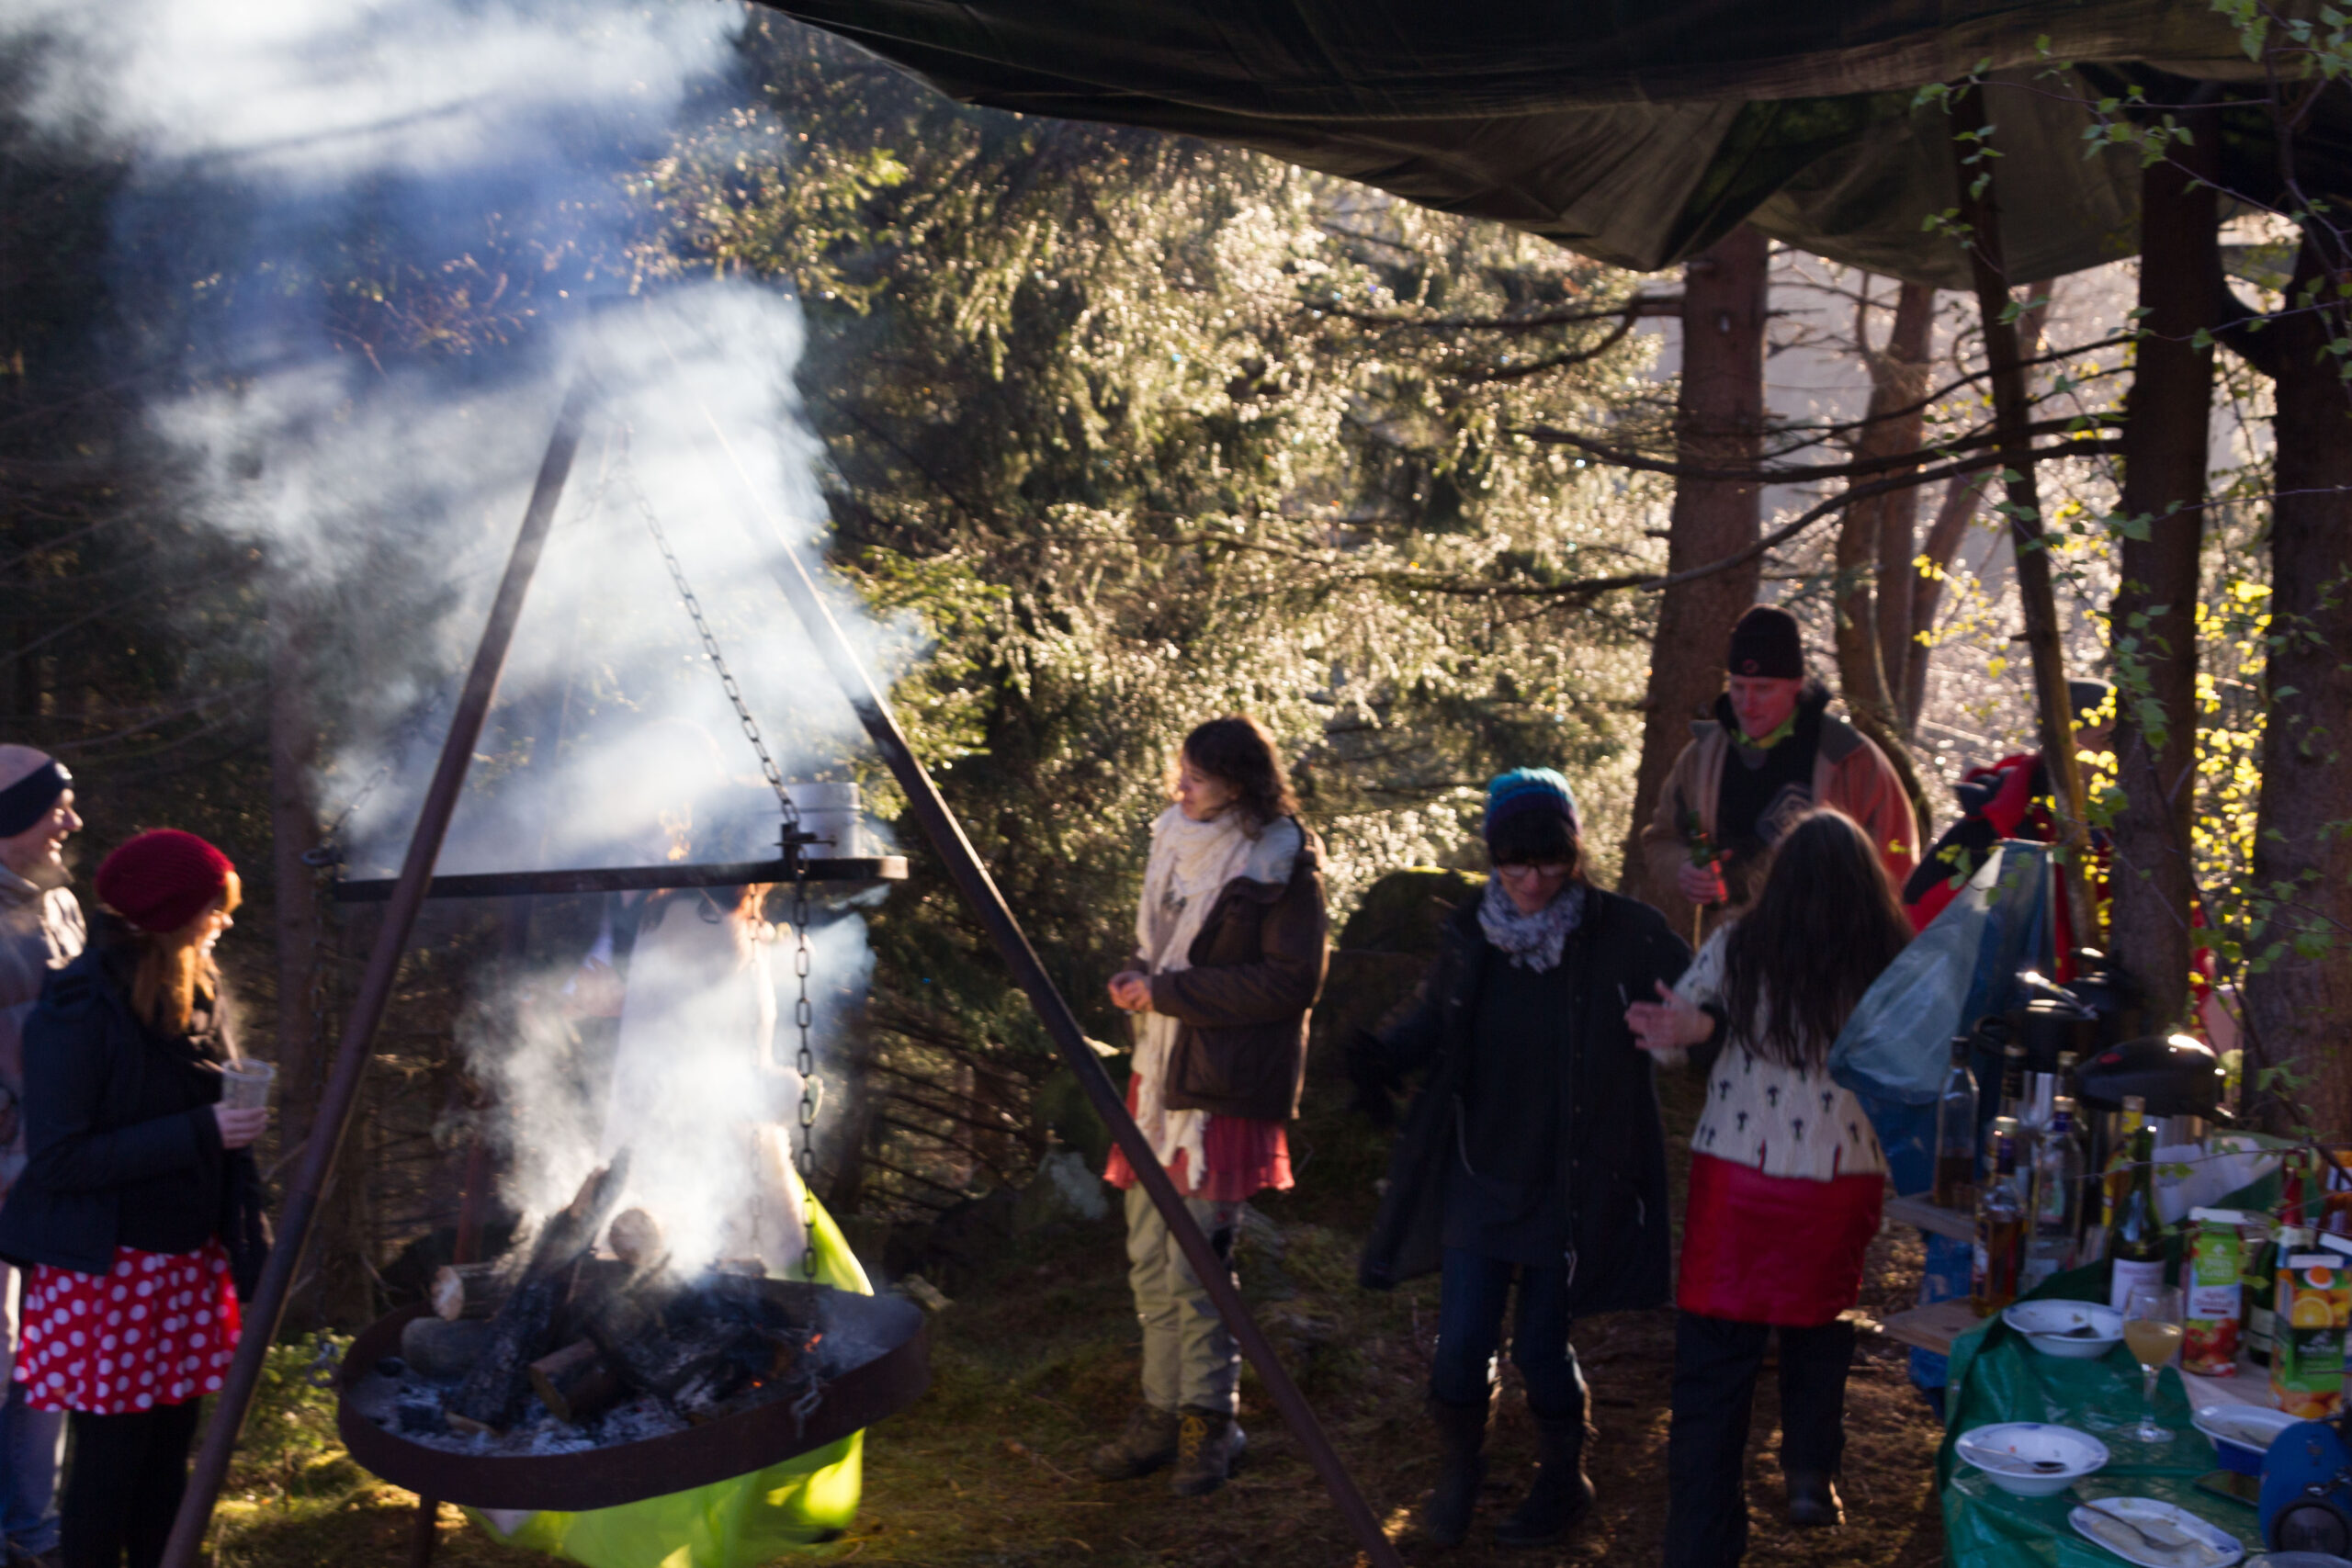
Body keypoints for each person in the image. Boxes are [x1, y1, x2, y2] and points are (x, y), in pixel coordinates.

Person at [1351, 769, 1690, 1548]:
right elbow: (1439, 1018)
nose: (1533, 880)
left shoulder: (1624, 932)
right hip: (1482, 1172)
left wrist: (1692, 1026)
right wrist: (1382, 1055)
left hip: (1573, 1181)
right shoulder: (1473, 929)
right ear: (1493, 857)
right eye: (1515, 864)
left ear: (1575, 855)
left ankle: (1565, 1478)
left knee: (1541, 1347)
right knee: (1461, 1347)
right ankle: (1458, 1474)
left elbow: (1709, 1000)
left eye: (1550, 862)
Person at [1624, 809, 1914, 1567]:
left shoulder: (1739, 946)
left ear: (1778, 877)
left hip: (1740, 1179)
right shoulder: (1891, 961)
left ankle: (1701, 1547)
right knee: (1819, 1322)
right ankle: (1811, 1471)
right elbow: (1915, 1069)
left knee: (1713, 1371)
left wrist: (1702, 1030)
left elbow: (1669, 1047)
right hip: (1840, 1178)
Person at [0, 829, 269, 1568]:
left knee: (168, 1453)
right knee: (109, 1465)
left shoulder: (200, 986)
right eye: (215, 907)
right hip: (108, 1274)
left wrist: (249, 1245)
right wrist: (201, 1129)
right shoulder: (78, 1008)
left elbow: (221, 1135)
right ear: (169, 914)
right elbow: (60, 1159)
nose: (225, 920)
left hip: (183, 1263)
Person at [1090, 716, 1328, 1499]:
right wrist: (1138, 976)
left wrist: (1167, 991)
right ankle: (1160, 1411)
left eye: (1194, 776)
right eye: (1180, 772)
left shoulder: (1280, 860)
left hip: (1220, 1089)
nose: (1180, 787)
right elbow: (1158, 945)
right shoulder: (1173, 837)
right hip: (1158, 1077)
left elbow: (1290, 983)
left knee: (1197, 1266)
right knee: (1149, 1258)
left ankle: (1210, 1422)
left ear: (1236, 781)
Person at [1640, 605, 1917, 938]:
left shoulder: (1850, 758)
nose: (1747, 704)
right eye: (1738, 687)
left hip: (1828, 949)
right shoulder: (1702, 757)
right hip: (1729, 945)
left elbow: (1900, 863)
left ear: (1795, 686)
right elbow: (1660, 840)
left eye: (1763, 688)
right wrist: (1683, 868)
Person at [0, 750, 81, 1568]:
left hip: (54, 1168)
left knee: (42, 1358)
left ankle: (32, 1525)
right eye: (57, 807)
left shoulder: (60, 900)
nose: (72, 821)